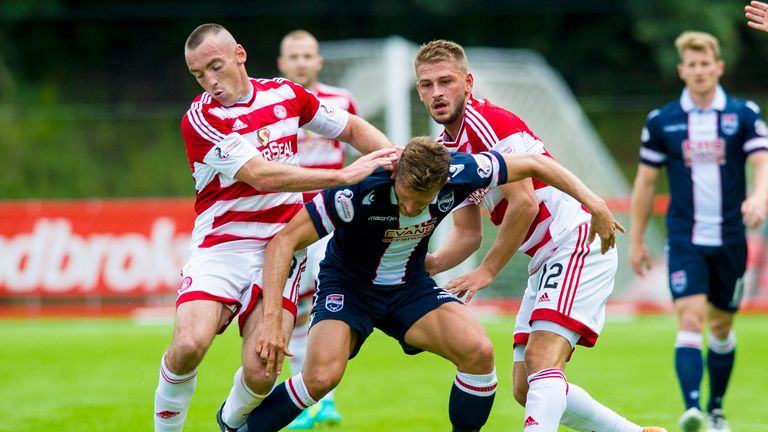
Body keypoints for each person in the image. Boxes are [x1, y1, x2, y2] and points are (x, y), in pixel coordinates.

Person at [236, 136, 622, 432]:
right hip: (349, 286)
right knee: (321, 377)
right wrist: (272, 320)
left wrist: (594, 203)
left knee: (478, 352)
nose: (410, 208)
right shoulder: (358, 188)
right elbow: (283, 242)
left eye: (422, 202)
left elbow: (537, 164)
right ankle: (235, 426)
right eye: (405, 198)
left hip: (409, 286)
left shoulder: (462, 170)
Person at [152, 23, 398, 432]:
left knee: (264, 372)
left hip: (283, 246)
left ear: (239, 55)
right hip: (222, 247)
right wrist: (343, 177)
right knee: (189, 345)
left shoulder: (286, 95)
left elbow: (352, 127)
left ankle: (228, 423)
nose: (210, 82)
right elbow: (260, 175)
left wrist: (396, 158)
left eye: (216, 67)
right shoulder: (201, 118)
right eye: (199, 75)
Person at [414, 39, 667, 432]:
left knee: (543, 360)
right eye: (427, 85)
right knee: (524, 387)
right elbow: (466, 235)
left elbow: (525, 203)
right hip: (547, 257)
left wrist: (487, 273)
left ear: (467, 82)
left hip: (575, 240)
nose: (437, 92)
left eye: (445, 81)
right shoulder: (446, 152)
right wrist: (421, 265)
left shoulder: (489, 123)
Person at [630, 31, 768, 432]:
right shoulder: (663, 121)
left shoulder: (744, 114)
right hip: (684, 238)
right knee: (690, 318)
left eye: (706, 63)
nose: (700, 71)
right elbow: (644, 184)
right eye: (692, 65)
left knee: (722, 328)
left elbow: (762, 163)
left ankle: (716, 408)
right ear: (681, 71)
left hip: (731, 239)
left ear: (718, 67)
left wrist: (759, 198)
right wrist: (637, 239)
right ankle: (692, 410)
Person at [276, 29, 356, 429]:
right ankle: (298, 399)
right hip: (290, 221)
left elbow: (361, 152)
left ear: (319, 61)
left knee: (328, 303)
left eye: (308, 55)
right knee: (292, 307)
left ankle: (324, 402)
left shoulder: (340, 102)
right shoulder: (270, 109)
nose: (302, 63)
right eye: (294, 56)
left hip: (332, 220)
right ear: (281, 64)